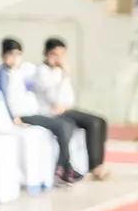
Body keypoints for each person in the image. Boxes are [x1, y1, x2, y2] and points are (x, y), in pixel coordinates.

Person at [0, 38, 77, 183]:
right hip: (21, 115)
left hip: (32, 112)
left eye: (18, 54)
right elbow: (4, 98)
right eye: (11, 54)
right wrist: (13, 117)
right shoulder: (3, 74)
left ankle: (64, 164)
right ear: (4, 55)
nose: (15, 58)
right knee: (61, 126)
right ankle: (64, 167)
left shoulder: (22, 71)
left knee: (68, 124)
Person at [33, 38, 108, 180]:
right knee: (92, 124)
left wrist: (64, 76)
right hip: (51, 112)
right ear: (47, 54)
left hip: (65, 109)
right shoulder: (41, 73)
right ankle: (94, 167)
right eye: (55, 55)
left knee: (101, 121)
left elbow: (68, 97)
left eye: (61, 55)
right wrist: (65, 75)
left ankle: (99, 164)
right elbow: (54, 99)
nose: (59, 59)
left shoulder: (58, 71)